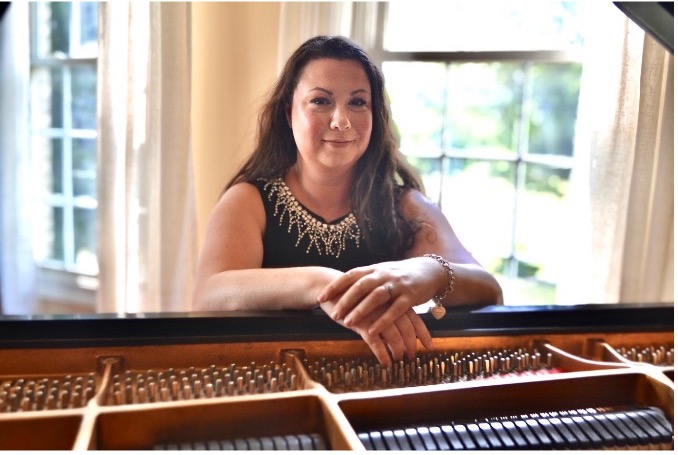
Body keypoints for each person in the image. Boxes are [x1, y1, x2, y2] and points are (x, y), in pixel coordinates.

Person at [193, 35, 503, 366]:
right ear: (288, 113)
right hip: (273, 386)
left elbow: (490, 289)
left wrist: (431, 272)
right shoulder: (249, 201)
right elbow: (209, 296)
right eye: (320, 101)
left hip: (384, 388)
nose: (341, 121)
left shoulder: (404, 206)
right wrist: (322, 284)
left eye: (358, 103)